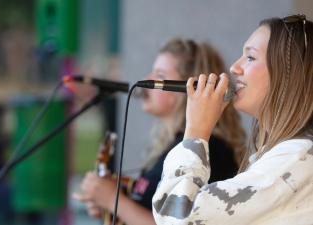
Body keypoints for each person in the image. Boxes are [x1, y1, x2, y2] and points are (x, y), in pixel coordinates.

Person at [152, 15, 313, 225]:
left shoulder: (296, 159)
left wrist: (196, 133)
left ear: (288, 76)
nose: (234, 68)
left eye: (251, 57)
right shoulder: (284, 157)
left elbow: (179, 217)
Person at [73, 38, 246, 225]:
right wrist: (109, 205)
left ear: (190, 88)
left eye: (160, 75)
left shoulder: (209, 149)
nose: (148, 80)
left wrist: (113, 201)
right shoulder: (175, 145)